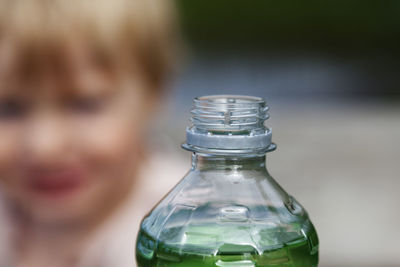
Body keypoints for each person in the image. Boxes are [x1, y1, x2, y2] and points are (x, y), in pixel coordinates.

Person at [0, 0, 181, 266]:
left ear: (154, 93)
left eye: (84, 104)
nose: (44, 147)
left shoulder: (185, 228)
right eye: (9, 108)